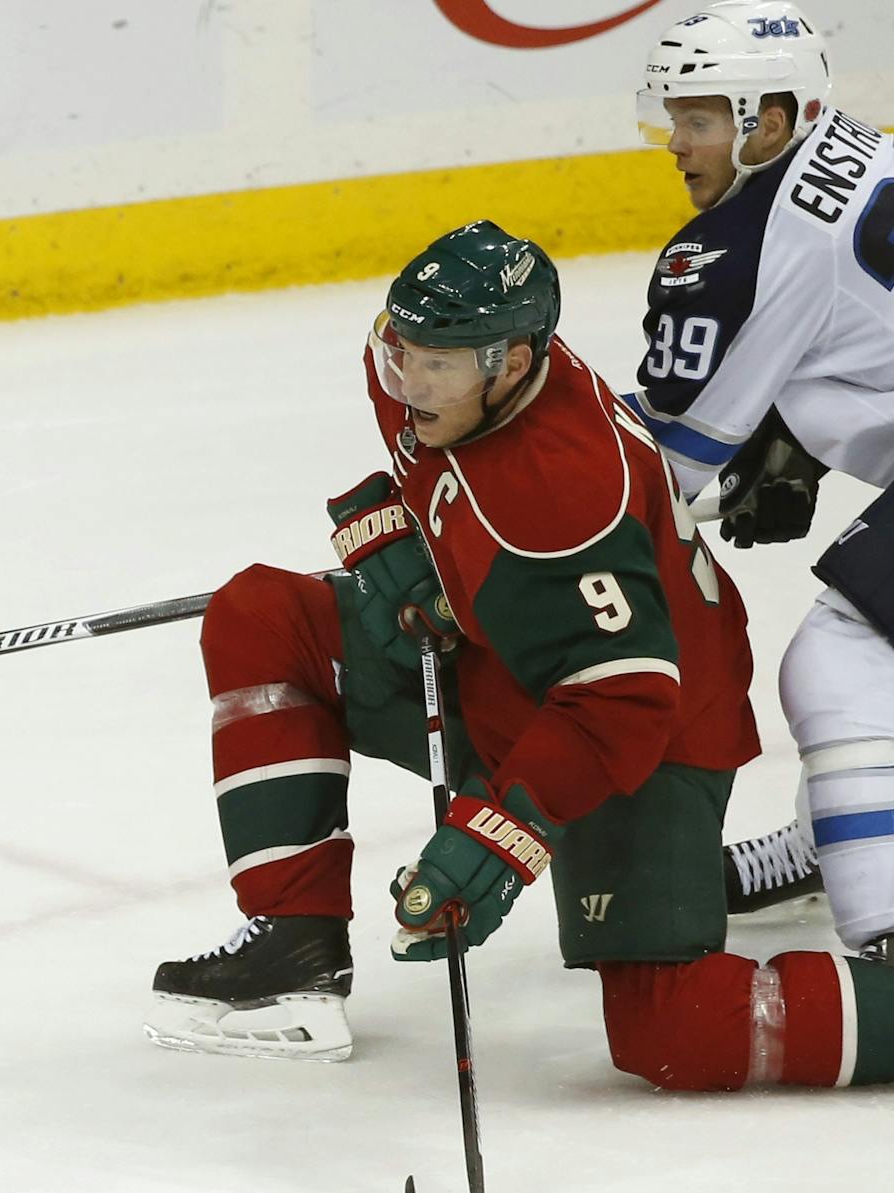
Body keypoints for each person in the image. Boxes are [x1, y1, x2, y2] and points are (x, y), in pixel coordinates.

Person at [147, 220, 894, 1095]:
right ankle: (293, 949)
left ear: (512, 362)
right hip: (511, 660)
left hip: (646, 732)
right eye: (404, 351)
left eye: (441, 365)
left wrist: (501, 840)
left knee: (681, 1033)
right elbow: (441, 473)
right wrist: (412, 545)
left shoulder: (564, 498)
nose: (411, 382)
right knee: (266, 616)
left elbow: (624, 700)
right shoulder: (434, 361)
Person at [622, 2, 894, 937]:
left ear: (768, 123)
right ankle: (842, 835)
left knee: (844, 660)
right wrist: (797, 432)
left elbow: (662, 462)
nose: (674, 142)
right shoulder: (850, 145)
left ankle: (882, 931)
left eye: (697, 120)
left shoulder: (737, 248)